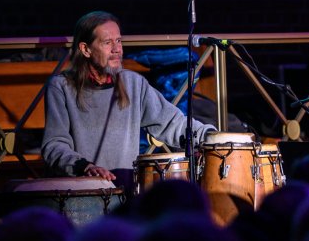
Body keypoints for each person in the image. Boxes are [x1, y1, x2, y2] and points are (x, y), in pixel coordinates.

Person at [41, 10, 216, 193]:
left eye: (118, 41)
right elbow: (54, 144)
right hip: (80, 195)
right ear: (86, 49)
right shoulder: (61, 87)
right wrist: (84, 167)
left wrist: (212, 138)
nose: (117, 49)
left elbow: (174, 124)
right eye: (107, 42)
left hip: (124, 193)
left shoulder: (133, 83)